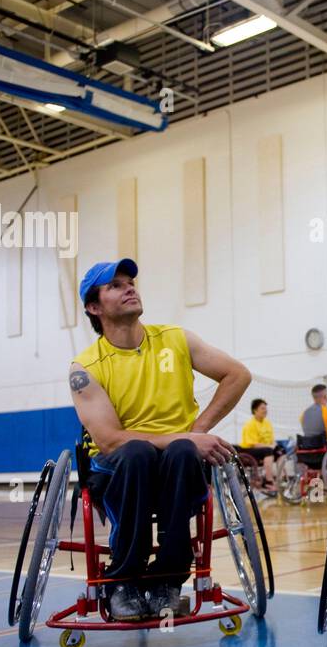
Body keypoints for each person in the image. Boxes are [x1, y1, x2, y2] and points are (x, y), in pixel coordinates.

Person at [69, 259, 249, 621]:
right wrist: (181, 436)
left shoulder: (175, 339)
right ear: (94, 307)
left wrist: (197, 431)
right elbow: (109, 441)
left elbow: (237, 374)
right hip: (120, 467)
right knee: (137, 453)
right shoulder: (85, 368)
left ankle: (169, 577)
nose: (129, 287)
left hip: (179, 460)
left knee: (183, 451)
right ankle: (123, 578)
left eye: (130, 281)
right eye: (115, 285)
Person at [239, 398, 283, 492]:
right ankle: (268, 481)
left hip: (265, 449)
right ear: (255, 410)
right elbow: (253, 444)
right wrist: (270, 447)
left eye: (266, 408)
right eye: (263, 408)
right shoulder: (250, 424)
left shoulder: (267, 423)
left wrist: (275, 445)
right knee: (268, 451)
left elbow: (271, 440)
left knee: (281, 451)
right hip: (248, 450)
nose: (265, 410)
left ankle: (280, 480)